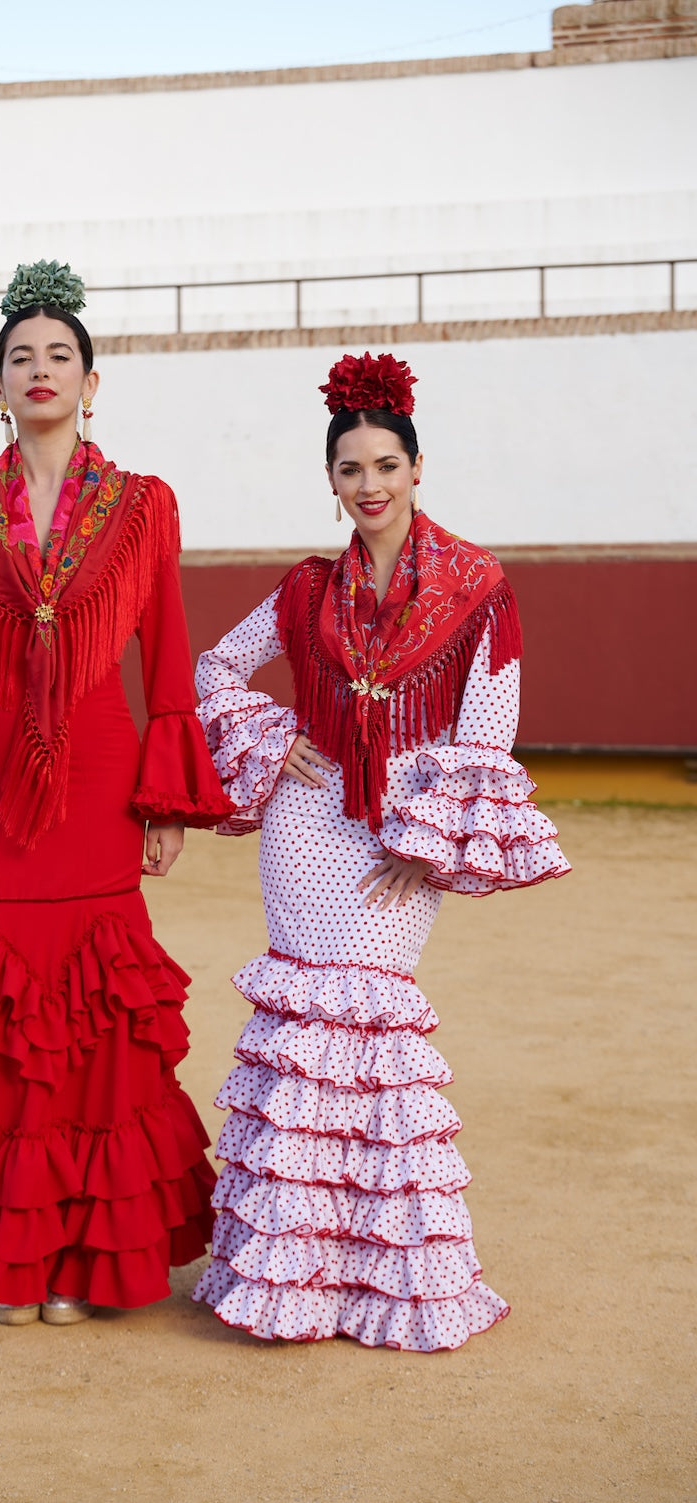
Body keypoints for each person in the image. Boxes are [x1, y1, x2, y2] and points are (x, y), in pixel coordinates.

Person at [0, 260, 232, 1327]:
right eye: (20, 357)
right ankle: (3, 1259)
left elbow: (166, 653)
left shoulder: (143, 505)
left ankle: (79, 1261)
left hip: (102, 770)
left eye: (59, 355)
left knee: (94, 1005)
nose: (40, 370)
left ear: (92, 383)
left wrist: (165, 798)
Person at [191, 351, 570, 1350]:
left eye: (385, 466)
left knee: (374, 1044)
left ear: (415, 470)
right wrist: (281, 739)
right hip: (305, 827)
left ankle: (387, 1284)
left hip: (399, 837)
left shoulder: (477, 585)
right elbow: (213, 667)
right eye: (350, 469)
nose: (368, 485)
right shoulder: (304, 589)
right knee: (305, 1026)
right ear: (329, 482)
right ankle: (291, 1282)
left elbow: (488, 727)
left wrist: (432, 842)